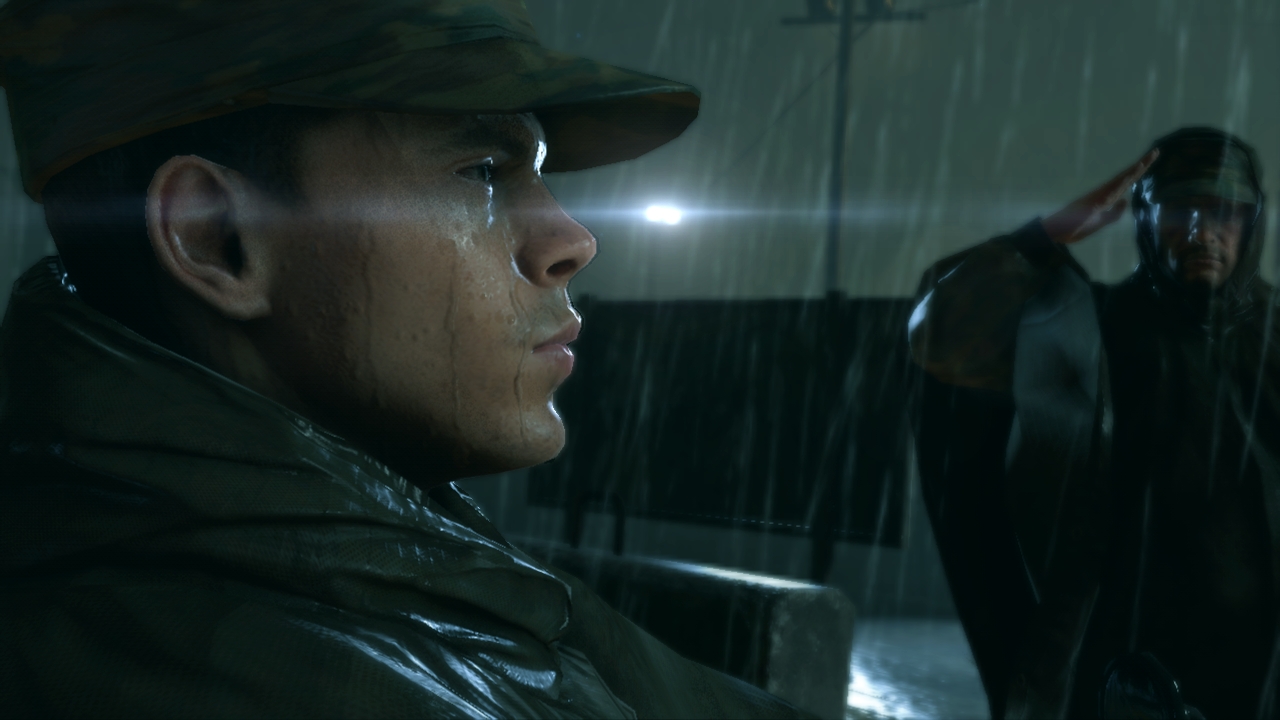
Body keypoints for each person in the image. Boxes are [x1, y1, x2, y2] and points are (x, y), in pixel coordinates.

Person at [0, 1, 810, 717]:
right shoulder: (268, 666)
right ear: (216, 236)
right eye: (481, 172)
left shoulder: (386, 557)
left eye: (536, 173)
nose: (572, 240)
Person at [909, 127, 1279, 719]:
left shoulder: (1273, 333)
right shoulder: (1096, 325)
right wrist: (1051, 234)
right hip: (1123, 659)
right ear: (1146, 218)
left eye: (1222, 212)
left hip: (1261, 667)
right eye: (1179, 209)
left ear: (1250, 222)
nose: (1200, 231)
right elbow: (940, 329)